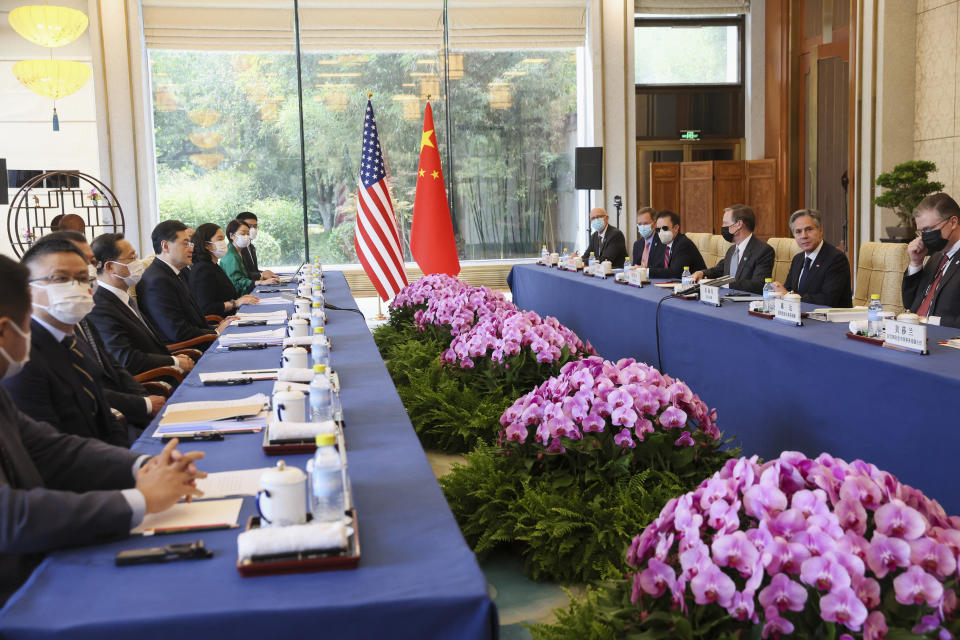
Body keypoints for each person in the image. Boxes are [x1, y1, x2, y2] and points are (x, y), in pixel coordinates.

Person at [0, 252, 206, 602]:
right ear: (6, 330)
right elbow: (12, 518)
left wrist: (143, 465)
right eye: (28, 323)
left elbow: (53, 448)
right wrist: (140, 500)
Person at [1, 239, 129, 446]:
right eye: (60, 278)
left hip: (109, 457)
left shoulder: (74, 337)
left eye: (82, 278)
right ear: (29, 289)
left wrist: (136, 462)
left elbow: (106, 418)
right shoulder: (20, 355)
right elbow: (51, 449)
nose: (75, 287)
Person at [40, 232, 166, 434]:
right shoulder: (46, 333)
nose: (90, 269)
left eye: (90, 261)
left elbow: (113, 366)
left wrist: (144, 399)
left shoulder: (82, 315)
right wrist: (144, 405)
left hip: (122, 417)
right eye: (80, 261)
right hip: (108, 425)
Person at [89, 233, 196, 375]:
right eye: (132, 258)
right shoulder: (100, 307)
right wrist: (173, 362)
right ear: (110, 267)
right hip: (154, 383)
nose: (138, 263)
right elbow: (127, 359)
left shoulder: (124, 298)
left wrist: (172, 358)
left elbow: (149, 346)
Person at [136, 221, 231, 346]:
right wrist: (217, 332)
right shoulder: (157, 281)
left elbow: (193, 321)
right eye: (185, 244)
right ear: (165, 246)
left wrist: (218, 327)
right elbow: (178, 332)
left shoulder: (178, 272)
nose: (191, 249)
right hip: (187, 351)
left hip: (202, 339)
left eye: (191, 243)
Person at [773, 209, 852, 307]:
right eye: (798, 232)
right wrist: (779, 291)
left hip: (829, 320)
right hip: (801, 317)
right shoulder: (798, 259)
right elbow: (788, 290)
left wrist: (789, 296)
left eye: (809, 229)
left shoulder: (836, 259)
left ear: (820, 231)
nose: (804, 236)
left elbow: (828, 300)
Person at [902, 192, 960, 327]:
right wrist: (916, 264)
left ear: (953, 222)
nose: (924, 237)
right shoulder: (936, 256)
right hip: (915, 336)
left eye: (928, 229)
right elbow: (910, 305)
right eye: (921, 232)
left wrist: (931, 321)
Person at [691, 204, 775, 293]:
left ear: (738, 224)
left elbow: (759, 284)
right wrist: (702, 273)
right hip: (725, 299)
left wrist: (724, 284)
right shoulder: (731, 250)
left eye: (725, 223)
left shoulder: (763, 251)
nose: (723, 227)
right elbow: (719, 269)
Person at [189, 223, 260, 316]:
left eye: (223, 239)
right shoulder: (202, 269)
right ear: (207, 245)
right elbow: (206, 307)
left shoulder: (213, 265)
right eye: (219, 239)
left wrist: (240, 300)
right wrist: (235, 303)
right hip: (220, 323)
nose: (223, 243)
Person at [219, 219, 278, 295]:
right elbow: (237, 281)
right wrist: (261, 282)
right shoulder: (231, 256)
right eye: (243, 234)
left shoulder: (240, 251)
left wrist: (263, 277)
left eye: (248, 233)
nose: (246, 237)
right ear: (232, 236)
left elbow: (246, 275)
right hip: (238, 297)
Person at [647, 210, 706, 279]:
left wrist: (647, 272)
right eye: (658, 229)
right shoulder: (662, 243)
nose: (661, 232)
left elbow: (676, 272)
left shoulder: (683, 244)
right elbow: (656, 266)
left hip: (695, 285)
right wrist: (642, 269)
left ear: (676, 228)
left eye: (665, 228)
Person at [235, 212, 277, 280]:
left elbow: (254, 271)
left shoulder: (251, 247)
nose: (253, 229)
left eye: (255, 226)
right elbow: (243, 274)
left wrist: (267, 274)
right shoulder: (237, 249)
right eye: (249, 226)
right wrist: (261, 275)